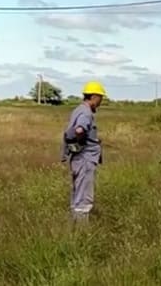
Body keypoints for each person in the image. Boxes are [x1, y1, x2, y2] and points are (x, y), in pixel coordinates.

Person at [61, 81, 106, 221]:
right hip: (85, 159)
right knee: (84, 197)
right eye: (100, 98)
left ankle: (73, 227)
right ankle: (82, 233)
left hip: (78, 159)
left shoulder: (78, 109)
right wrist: (79, 141)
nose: (101, 101)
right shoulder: (86, 113)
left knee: (77, 194)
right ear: (93, 97)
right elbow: (79, 129)